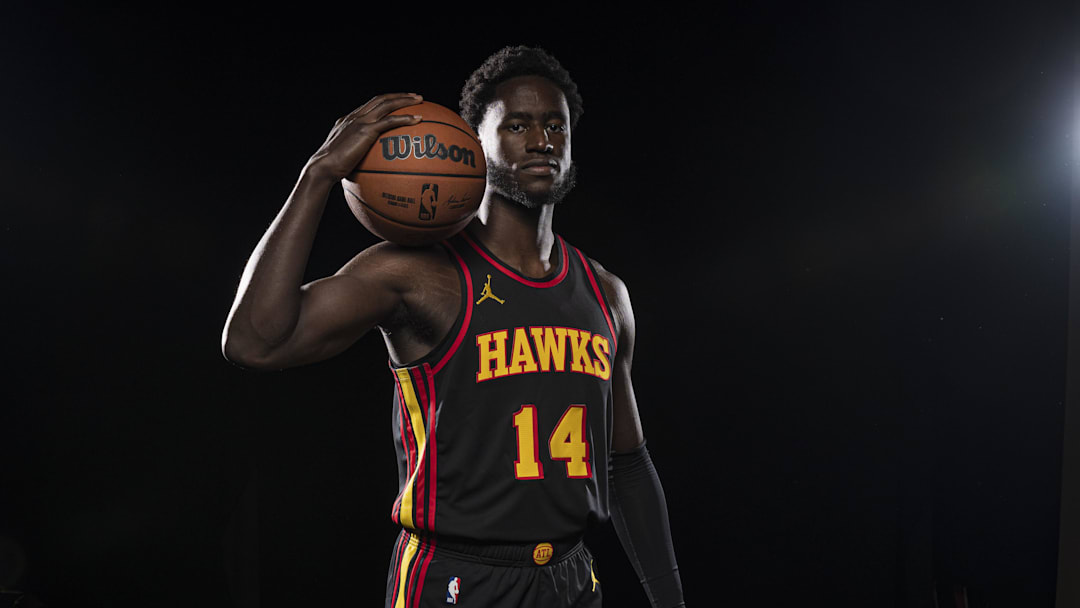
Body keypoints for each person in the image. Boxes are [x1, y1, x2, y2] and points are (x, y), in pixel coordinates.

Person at [222, 46, 685, 608]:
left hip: (569, 577)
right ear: (474, 143)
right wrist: (317, 175)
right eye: (517, 125)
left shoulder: (606, 294)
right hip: (454, 576)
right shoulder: (415, 273)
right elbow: (253, 341)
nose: (542, 141)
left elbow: (628, 464)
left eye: (555, 125)